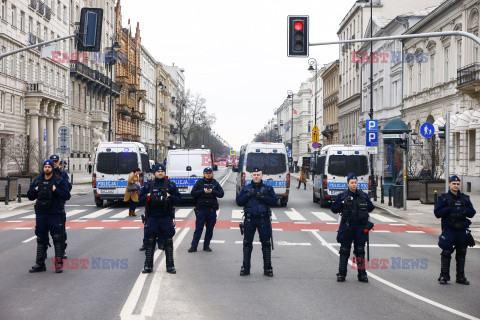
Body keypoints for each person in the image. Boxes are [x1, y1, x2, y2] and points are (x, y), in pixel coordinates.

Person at [27, 160, 71, 273]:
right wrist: (35, 189)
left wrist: (55, 190)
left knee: (57, 237)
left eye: (49, 167)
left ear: (52, 168)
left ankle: (58, 265)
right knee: (41, 238)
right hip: (41, 214)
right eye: (45, 167)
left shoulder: (58, 181)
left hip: (55, 213)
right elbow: (30, 196)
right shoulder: (38, 181)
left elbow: (66, 195)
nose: (47, 168)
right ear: (43, 168)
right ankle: (40, 264)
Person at [331, 173, 375, 283]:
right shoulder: (342, 196)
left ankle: (362, 275)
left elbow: (371, 207)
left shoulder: (362, 195)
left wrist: (363, 207)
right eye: (352, 183)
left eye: (355, 183)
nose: (354, 185)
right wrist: (342, 203)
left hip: (360, 227)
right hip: (347, 226)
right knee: (344, 250)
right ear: (348, 183)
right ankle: (341, 274)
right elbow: (334, 209)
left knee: (360, 250)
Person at [138, 164, 181, 274]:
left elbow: (179, 199)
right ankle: (148, 266)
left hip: (166, 217)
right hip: (152, 217)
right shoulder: (148, 185)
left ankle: (170, 266)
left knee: (168, 241)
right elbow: (139, 199)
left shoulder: (170, 185)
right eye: (158, 171)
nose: (160, 173)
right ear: (154, 173)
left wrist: (169, 196)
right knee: (150, 241)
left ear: (165, 173)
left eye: (162, 171)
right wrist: (147, 195)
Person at [434, 175, 476, 285]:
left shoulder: (465, 198)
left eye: (457, 184)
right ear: (449, 184)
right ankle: (444, 276)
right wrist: (450, 208)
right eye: (454, 184)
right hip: (449, 230)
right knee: (446, 252)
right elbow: (437, 213)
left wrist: (462, 209)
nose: (456, 186)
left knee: (461, 253)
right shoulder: (443, 198)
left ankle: (460, 277)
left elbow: (472, 213)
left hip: (462, 230)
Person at [236, 168, 277, 277]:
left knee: (266, 244)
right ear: (251, 176)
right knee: (247, 243)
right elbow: (238, 202)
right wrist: (248, 195)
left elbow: (274, 201)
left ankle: (268, 268)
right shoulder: (246, 188)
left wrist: (263, 197)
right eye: (254, 175)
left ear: (261, 176)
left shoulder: (267, 188)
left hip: (263, 219)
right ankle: (245, 268)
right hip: (249, 219)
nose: (256, 176)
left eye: (258, 174)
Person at [188, 167, 225, 252]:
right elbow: (193, 193)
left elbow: (221, 194)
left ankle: (206, 246)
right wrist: (203, 191)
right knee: (198, 229)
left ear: (212, 174)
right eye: (206, 173)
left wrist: (212, 191)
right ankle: (194, 246)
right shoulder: (199, 183)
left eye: (210, 173)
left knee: (210, 229)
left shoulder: (215, 183)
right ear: (203, 174)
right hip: (201, 210)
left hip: (211, 210)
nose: (208, 174)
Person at [50, 154, 72, 259]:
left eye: (56, 161)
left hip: (58, 205)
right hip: (47, 207)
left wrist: (58, 189)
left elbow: (68, 188)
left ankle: (62, 250)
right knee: (43, 232)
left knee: (60, 231)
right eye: (52, 161)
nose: (54, 163)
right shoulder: (44, 174)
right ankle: (43, 251)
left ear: (58, 162)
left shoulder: (62, 174)